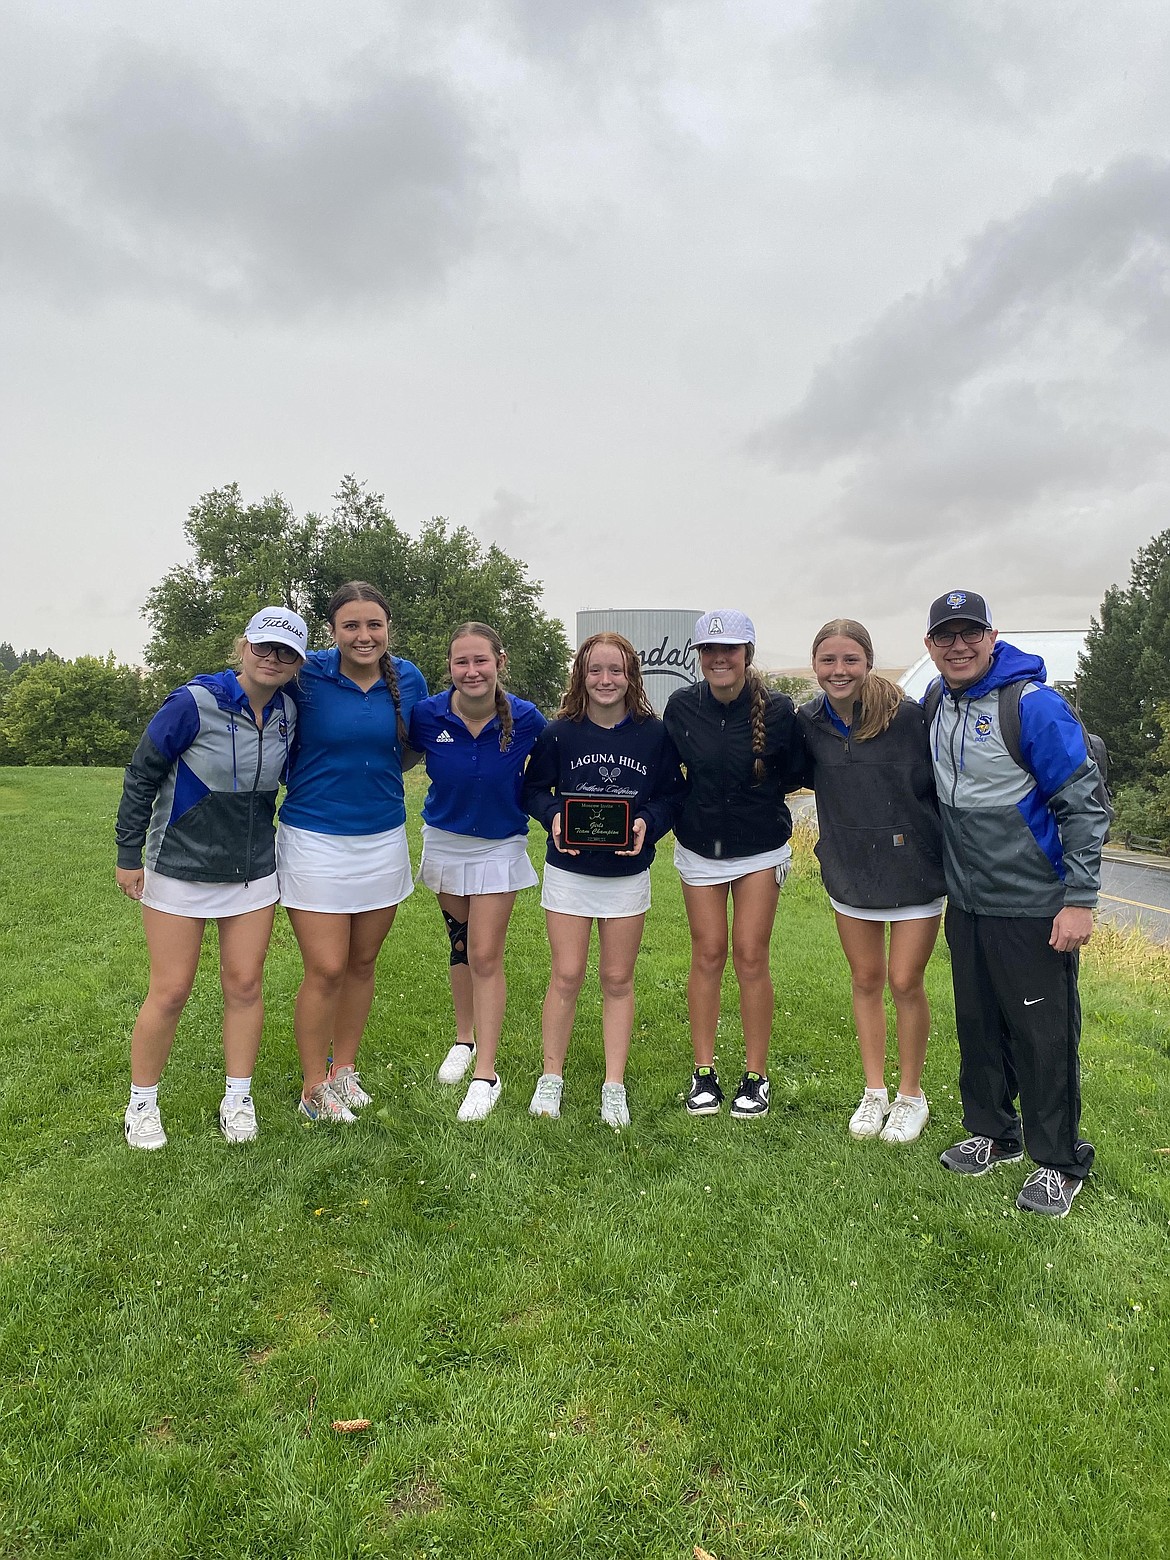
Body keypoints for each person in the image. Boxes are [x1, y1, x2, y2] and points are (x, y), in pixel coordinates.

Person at [922, 589, 1108, 1218]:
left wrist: (1078, 900)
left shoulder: (1032, 706)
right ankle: (993, 1133)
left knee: (1042, 1037)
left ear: (991, 638)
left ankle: (1057, 1161)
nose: (958, 645)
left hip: (1033, 905)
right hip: (968, 903)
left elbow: (1084, 805)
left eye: (969, 633)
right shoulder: (935, 704)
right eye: (945, 636)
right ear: (930, 647)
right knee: (978, 1026)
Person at [115, 607, 307, 1148]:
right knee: (171, 990)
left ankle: (238, 1096)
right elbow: (142, 774)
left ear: (298, 663)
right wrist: (129, 852)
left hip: (252, 872)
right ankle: (142, 1103)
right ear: (243, 646)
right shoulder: (192, 702)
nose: (273, 659)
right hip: (179, 865)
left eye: (287, 653)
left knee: (245, 985)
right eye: (264, 647)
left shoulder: (292, 711)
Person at [278, 582, 427, 1123]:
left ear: (388, 628)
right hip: (314, 838)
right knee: (326, 966)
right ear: (332, 631)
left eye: (374, 625)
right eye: (350, 626)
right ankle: (313, 1086)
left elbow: (411, 748)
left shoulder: (408, 678)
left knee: (362, 963)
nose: (364, 636)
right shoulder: (307, 674)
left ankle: (345, 1072)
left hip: (383, 838)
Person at [522, 633, 685, 1127]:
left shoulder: (654, 736)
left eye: (616, 670)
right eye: (596, 670)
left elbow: (670, 797)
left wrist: (646, 824)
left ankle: (613, 1084)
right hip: (569, 871)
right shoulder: (559, 734)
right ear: (581, 675)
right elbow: (531, 789)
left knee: (617, 979)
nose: (606, 680)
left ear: (631, 675)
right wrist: (552, 815)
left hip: (625, 873)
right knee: (567, 974)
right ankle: (552, 1076)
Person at [799, 618, 945, 1145]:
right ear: (815, 665)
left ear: (868, 662)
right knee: (865, 981)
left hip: (914, 869)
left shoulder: (910, 719)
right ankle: (875, 1090)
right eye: (828, 661)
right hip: (849, 867)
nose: (839, 671)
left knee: (905, 982)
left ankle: (911, 1095)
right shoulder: (808, 722)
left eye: (850, 660)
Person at [662, 610, 806, 1119]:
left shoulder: (782, 709)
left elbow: (795, 774)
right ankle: (704, 1074)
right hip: (700, 847)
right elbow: (669, 774)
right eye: (709, 650)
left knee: (749, 954)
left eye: (730, 649)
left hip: (760, 848)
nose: (719, 658)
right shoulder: (681, 707)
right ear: (699, 656)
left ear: (747, 653)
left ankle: (755, 1077)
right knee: (707, 954)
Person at [408, 623, 546, 1120]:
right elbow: (393, 757)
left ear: (499, 662)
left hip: (498, 848)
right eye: (461, 662)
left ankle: (487, 1073)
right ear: (449, 667)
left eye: (480, 661)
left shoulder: (527, 719)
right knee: (461, 946)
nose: (471, 671)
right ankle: (463, 1041)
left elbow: (553, 771)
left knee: (486, 955)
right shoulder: (427, 715)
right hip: (444, 843)